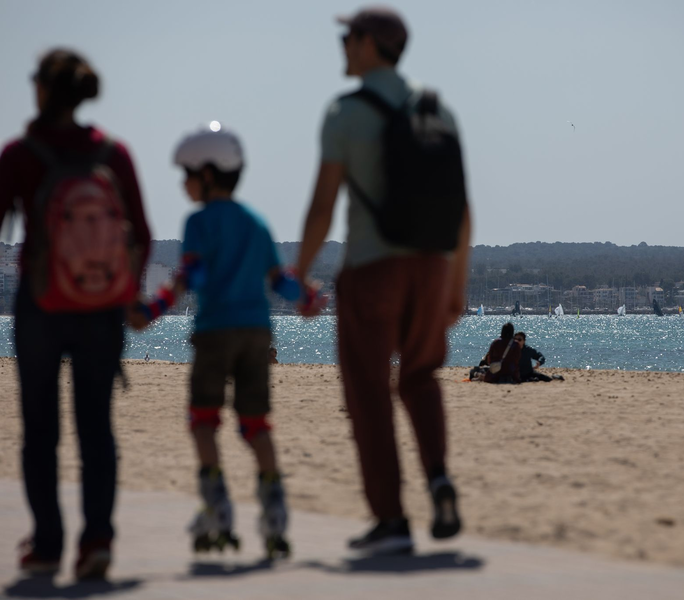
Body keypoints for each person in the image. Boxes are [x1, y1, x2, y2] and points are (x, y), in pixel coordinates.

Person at [295, 6, 471, 555]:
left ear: (371, 44)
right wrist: (456, 287)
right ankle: (439, 479)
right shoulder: (438, 109)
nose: (343, 45)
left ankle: (392, 520)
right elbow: (463, 212)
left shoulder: (344, 112)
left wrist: (297, 275)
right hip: (431, 269)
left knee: (368, 392)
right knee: (420, 378)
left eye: (349, 36)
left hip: (373, 269)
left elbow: (324, 206)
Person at [0, 49, 152, 579]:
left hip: (40, 305)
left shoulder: (20, 154)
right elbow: (143, 235)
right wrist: (126, 296)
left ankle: (46, 545)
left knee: (40, 429)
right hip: (101, 309)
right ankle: (98, 542)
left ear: (43, 89)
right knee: (97, 430)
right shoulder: (113, 153)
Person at [130, 124, 307, 559]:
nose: (182, 183)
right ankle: (275, 516)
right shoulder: (256, 222)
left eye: (186, 174)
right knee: (257, 426)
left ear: (207, 174)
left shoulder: (197, 222)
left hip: (214, 332)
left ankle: (217, 509)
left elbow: (191, 277)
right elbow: (280, 281)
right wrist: (309, 299)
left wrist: (150, 311)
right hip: (256, 333)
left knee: (204, 421)